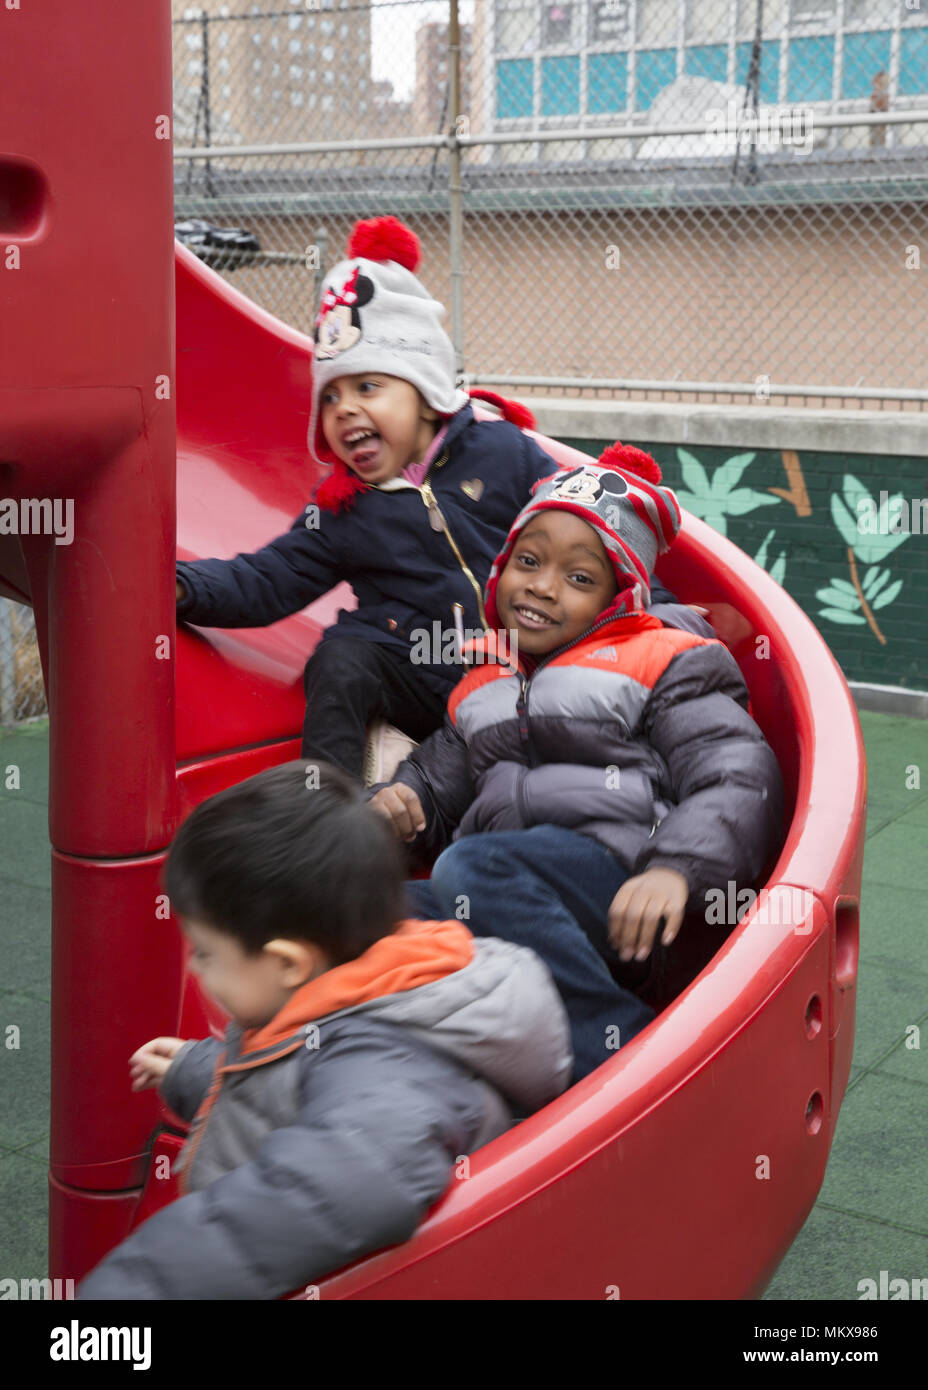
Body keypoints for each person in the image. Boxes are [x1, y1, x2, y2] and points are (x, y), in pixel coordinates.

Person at [175, 215, 710, 780]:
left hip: (520, 662)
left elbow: (592, 530)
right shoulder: (341, 510)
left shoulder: (502, 452)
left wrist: (658, 608)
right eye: (330, 396)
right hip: (411, 665)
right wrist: (182, 589)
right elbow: (266, 579)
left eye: (368, 386)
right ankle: (330, 813)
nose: (345, 408)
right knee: (340, 661)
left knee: (537, 725)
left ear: (426, 390)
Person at [76, 761, 571, 1301]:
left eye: (207, 953)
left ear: (288, 963)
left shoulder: (383, 1061)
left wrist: (137, 1291)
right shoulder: (333, 1003)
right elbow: (284, 1089)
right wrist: (197, 1070)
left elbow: (331, 1185)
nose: (195, 968)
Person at [369, 448, 785, 1082]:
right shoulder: (483, 684)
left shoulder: (665, 658)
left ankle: (619, 1049)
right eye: (528, 562)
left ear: (619, 596)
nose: (541, 586)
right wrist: (397, 806)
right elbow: (434, 782)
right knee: (365, 913)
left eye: (580, 578)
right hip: (501, 899)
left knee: (473, 864)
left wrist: (676, 870)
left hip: (623, 898)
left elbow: (737, 774)